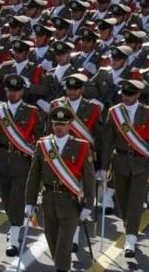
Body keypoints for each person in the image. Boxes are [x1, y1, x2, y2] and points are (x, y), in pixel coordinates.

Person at [25, 105, 96, 272]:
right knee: (52, 240)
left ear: (70, 125)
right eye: (56, 124)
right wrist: (29, 201)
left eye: (63, 124)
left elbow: (89, 178)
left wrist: (88, 204)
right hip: (49, 199)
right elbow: (34, 175)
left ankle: (62, 268)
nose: (59, 127)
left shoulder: (82, 146)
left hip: (70, 201)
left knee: (64, 244)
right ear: (52, 125)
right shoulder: (43, 145)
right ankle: (61, 266)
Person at [100, 79, 149, 258]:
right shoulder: (114, 112)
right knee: (123, 204)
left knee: (135, 203)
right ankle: (130, 228)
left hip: (140, 165)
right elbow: (108, 141)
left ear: (137, 95)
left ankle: (131, 239)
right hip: (119, 163)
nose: (125, 97)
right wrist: (103, 168)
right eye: (124, 94)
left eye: (129, 94)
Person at [0, 74, 45, 257]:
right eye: (10, 91)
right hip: (3, 160)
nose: (13, 94)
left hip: (22, 162)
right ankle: (14, 224)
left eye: (16, 91)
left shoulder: (32, 112)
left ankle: (14, 235)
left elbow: (39, 142)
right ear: (6, 91)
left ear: (22, 92)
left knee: (17, 199)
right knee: (6, 198)